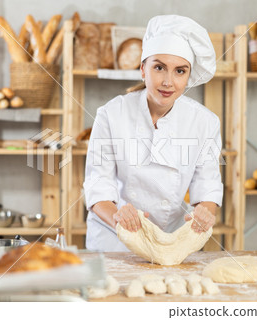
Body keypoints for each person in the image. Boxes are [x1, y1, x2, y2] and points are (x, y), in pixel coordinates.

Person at [83, 15, 223, 252]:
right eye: (159, 67)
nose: (168, 81)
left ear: (188, 76)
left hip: (173, 240)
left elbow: (207, 187)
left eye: (180, 71)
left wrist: (204, 214)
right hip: (115, 239)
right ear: (142, 69)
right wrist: (118, 216)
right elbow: (98, 185)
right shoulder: (111, 114)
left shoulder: (205, 122)